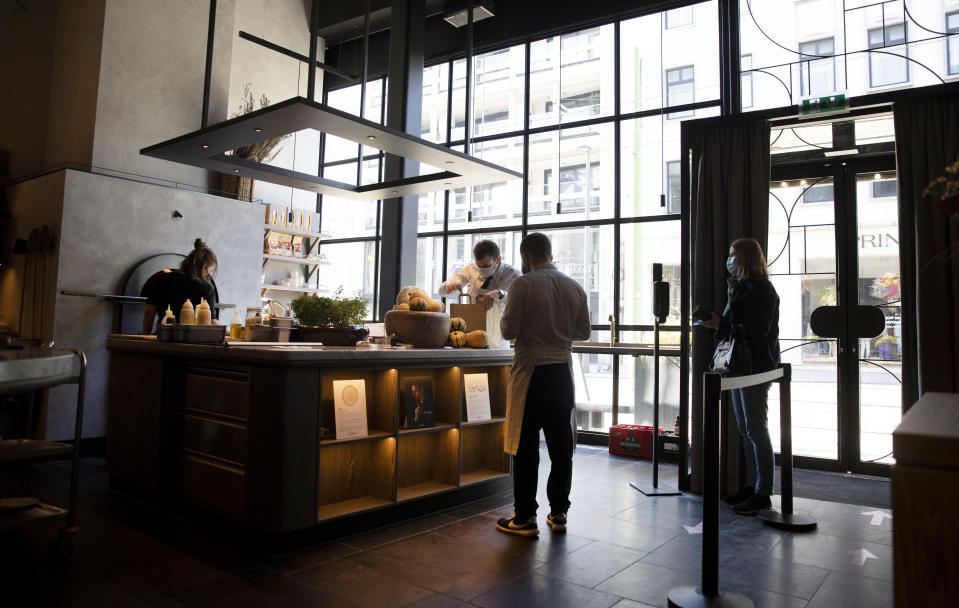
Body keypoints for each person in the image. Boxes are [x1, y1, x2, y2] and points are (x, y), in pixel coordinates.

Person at [496, 233, 590, 537]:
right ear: (549, 253)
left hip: (531, 373)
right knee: (562, 446)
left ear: (526, 256)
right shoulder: (574, 286)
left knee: (525, 447)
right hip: (561, 372)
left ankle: (524, 517)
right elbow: (584, 332)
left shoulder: (522, 285)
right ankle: (559, 512)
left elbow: (509, 329)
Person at [703, 237, 780, 515]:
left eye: (734, 255)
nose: (730, 260)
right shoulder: (740, 288)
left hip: (755, 367)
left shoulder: (761, 290)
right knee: (746, 429)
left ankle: (763, 491)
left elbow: (755, 331)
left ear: (746, 257)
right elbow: (737, 326)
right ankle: (752, 485)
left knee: (757, 429)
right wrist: (719, 322)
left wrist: (720, 323)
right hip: (739, 366)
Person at [141, 238, 219, 333]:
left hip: (163, 335)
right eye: (210, 271)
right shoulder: (206, 288)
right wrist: (233, 333)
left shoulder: (161, 279)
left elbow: (149, 313)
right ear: (204, 267)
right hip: (190, 338)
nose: (208, 275)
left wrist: (146, 336)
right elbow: (211, 322)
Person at [438, 239, 521, 311]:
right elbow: (442, 293)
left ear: (498, 259)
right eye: (478, 265)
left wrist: (500, 294)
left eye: (486, 266)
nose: (482, 269)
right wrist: (450, 286)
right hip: (471, 321)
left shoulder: (513, 274)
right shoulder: (471, 268)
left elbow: (520, 301)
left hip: (498, 325)